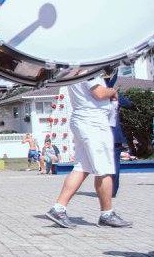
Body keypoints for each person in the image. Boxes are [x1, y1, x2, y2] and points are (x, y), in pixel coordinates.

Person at [45, 76, 131, 229]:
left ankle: (58, 208)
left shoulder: (74, 70)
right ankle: (107, 214)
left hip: (83, 118)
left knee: (81, 168)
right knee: (104, 169)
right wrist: (113, 90)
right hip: (93, 122)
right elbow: (99, 93)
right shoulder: (88, 71)